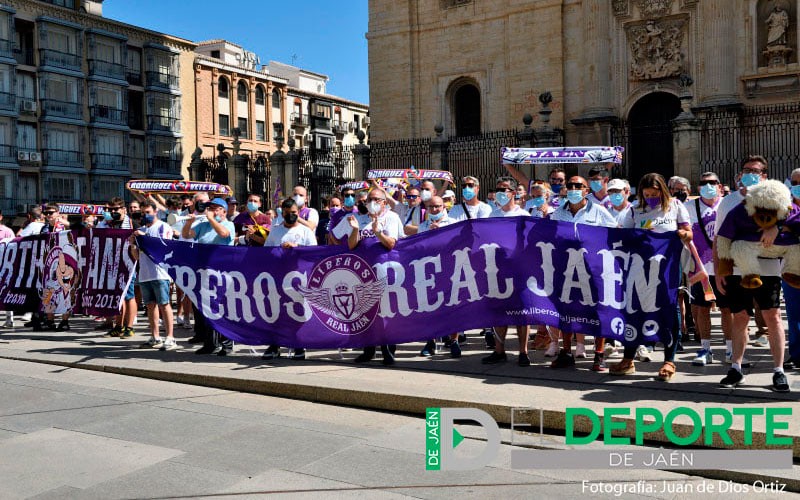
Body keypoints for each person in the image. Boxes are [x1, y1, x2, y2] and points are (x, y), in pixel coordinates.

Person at [715, 156, 789, 392]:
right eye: (746, 170)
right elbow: (719, 239)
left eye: (755, 171)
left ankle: (778, 371)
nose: (749, 174)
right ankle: (736, 368)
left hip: (768, 268)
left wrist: (775, 226)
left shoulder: (776, 196)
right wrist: (719, 271)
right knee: (740, 318)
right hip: (738, 268)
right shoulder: (728, 202)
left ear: (764, 176)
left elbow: (793, 218)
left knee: (773, 317)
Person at [611, 173, 692, 381]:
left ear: (662, 191)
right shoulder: (635, 209)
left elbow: (689, 232)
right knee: (634, 310)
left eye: (654, 194)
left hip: (667, 270)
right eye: (646, 194)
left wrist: (682, 235)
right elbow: (624, 236)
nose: (650, 197)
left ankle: (669, 360)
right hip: (639, 271)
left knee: (669, 311)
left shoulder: (675, 206)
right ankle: (628, 359)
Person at [549, 176, 619, 371]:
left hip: (594, 269)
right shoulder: (558, 213)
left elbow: (615, 234)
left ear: (586, 190)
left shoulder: (599, 211)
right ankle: (567, 352)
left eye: (578, 186)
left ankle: (598, 355)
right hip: (566, 269)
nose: (573, 189)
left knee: (598, 311)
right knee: (567, 311)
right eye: (569, 185)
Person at [332, 187, 404, 365]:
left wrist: (378, 231)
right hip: (362, 273)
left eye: (376, 199)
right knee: (365, 311)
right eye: (369, 199)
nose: (372, 202)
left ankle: (387, 348)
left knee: (385, 311)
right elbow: (350, 245)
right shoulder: (359, 219)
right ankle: (368, 349)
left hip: (384, 270)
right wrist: (356, 230)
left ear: (384, 202)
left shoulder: (391, 218)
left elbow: (391, 244)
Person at [482, 179, 533, 367]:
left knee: (522, 312)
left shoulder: (523, 214)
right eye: (498, 190)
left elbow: (530, 242)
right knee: (498, 310)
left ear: (513, 192)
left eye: (505, 189)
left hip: (519, 268)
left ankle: (523, 351)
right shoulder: (491, 215)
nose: (501, 192)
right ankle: (499, 350)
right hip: (497, 268)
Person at [262, 197, 318, 360]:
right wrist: (280, 249)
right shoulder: (276, 230)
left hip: (299, 278)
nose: (291, 216)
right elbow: (267, 252)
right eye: (287, 213)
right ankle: (274, 345)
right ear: (282, 213)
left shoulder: (306, 231)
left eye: (293, 213)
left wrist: (297, 248)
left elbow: (313, 253)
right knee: (276, 312)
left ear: (298, 212)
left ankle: (298, 345)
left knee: (298, 312)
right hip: (279, 277)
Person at [685, 172, 730, 367]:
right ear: (698, 187)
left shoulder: (728, 205)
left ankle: (730, 349)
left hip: (726, 267)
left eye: (712, 182)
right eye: (704, 183)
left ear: (720, 186)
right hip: (700, 268)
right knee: (702, 310)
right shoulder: (689, 207)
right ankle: (705, 348)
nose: (708, 186)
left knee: (728, 310)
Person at [182, 197, 236, 356]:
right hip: (204, 272)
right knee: (206, 308)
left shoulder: (229, 224)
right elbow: (186, 235)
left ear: (224, 211)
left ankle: (226, 344)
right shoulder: (203, 225)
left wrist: (211, 219)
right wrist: (189, 222)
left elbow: (224, 234)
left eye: (215, 208)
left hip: (222, 273)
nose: (211, 210)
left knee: (222, 309)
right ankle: (210, 343)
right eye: (210, 207)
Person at [416, 196, 461, 358]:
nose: (434, 210)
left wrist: (440, 234)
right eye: (431, 207)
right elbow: (419, 248)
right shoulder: (423, 226)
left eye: (437, 207)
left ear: (444, 207)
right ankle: (431, 341)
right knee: (430, 307)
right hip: (428, 270)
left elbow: (458, 245)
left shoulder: (453, 223)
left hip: (449, 269)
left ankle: (454, 340)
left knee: (452, 306)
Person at [129, 201, 178, 351]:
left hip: (160, 272)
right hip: (145, 272)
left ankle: (170, 337)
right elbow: (137, 256)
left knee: (164, 303)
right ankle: (155, 336)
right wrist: (132, 244)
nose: (146, 215)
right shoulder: (141, 229)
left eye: (148, 212)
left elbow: (163, 249)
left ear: (155, 211)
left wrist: (145, 238)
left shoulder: (163, 227)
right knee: (150, 305)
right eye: (143, 213)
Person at [98, 198, 136, 338]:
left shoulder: (131, 223)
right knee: (117, 296)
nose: (113, 212)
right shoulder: (108, 224)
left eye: (116, 209)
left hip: (128, 264)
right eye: (111, 209)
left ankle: (129, 327)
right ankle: (118, 326)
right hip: (113, 264)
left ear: (123, 210)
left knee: (128, 296)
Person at [782, 168, 800, 370]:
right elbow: (780, 234)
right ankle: (796, 355)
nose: (798, 186)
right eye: (794, 182)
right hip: (790, 269)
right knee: (794, 315)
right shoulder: (785, 209)